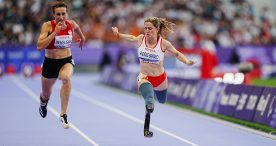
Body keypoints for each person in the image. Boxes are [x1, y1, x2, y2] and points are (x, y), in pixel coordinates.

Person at [112, 17, 195, 137]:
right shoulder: (141, 39)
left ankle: (151, 104)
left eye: (150, 28)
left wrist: (187, 62)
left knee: (162, 100)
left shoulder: (164, 43)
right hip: (145, 77)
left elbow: (177, 53)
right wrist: (118, 34)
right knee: (149, 101)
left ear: (156, 29)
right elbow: (131, 37)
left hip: (160, 79)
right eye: (145, 28)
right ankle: (146, 128)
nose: (147, 31)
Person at [36, 0, 85, 129]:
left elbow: (77, 28)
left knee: (66, 78)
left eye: (63, 14)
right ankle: (43, 103)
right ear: (54, 14)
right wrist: (54, 33)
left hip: (66, 60)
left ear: (67, 13)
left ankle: (63, 114)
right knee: (46, 94)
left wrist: (82, 38)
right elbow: (39, 46)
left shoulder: (71, 24)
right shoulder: (47, 26)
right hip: (50, 63)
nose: (61, 17)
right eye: (58, 14)